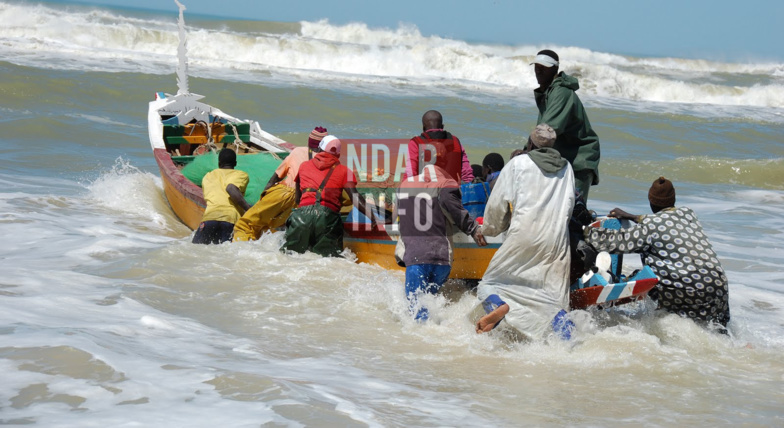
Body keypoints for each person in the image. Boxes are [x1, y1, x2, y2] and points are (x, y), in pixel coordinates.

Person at [584, 177, 731, 328]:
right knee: (718, 331)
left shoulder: (649, 227)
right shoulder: (688, 214)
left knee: (646, 281)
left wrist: (584, 231)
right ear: (673, 198)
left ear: (650, 200)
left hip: (690, 289)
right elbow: (662, 221)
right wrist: (634, 217)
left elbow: (616, 242)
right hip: (718, 288)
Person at [475, 124, 575, 340]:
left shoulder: (518, 164)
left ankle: (498, 305)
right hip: (556, 240)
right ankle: (567, 340)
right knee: (552, 298)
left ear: (531, 143)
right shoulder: (567, 168)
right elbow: (569, 205)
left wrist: (489, 229)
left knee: (489, 284)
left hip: (523, 235)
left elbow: (498, 204)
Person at [395, 142, 487, 321]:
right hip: (439, 259)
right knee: (430, 305)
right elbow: (455, 212)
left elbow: (400, 218)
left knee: (415, 313)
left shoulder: (404, 185)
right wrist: (474, 229)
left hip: (413, 257)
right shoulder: (446, 184)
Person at [282, 135, 380, 257]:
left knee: (290, 256)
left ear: (318, 149)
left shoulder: (304, 166)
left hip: (301, 218)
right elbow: (356, 198)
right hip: (327, 220)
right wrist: (374, 218)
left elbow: (297, 199)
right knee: (329, 259)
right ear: (338, 155)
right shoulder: (344, 171)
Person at [233, 126, 328, 241]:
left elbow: (274, 179)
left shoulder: (298, 151)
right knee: (272, 227)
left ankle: (241, 249)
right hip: (302, 202)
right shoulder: (327, 162)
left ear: (309, 141)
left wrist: (262, 201)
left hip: (284, 192)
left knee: (246, 224)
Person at [532, 49, 600, 200]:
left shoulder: (561, 92)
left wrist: (526, 153)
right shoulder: (548, 92)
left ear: (555, 69)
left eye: (544, 67)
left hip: (579, 162)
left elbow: (545, 132)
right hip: (564, 160)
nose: (539, 70)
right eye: (537, 66)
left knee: (573, 212)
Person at [192, 149, 251, 244]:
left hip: (209, 219)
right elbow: (231, 188)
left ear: (219, 163)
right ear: (235, 163)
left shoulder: (208, 176)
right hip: (230, 220)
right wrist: (248, 209)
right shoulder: (241, 175)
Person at [405, 110, 474, 184]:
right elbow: (467, 173)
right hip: (452, 190)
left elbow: (410, 173)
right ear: (442, 127)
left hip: (427, 191)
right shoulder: (455, 141)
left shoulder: (416, 143)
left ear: (423, 128)